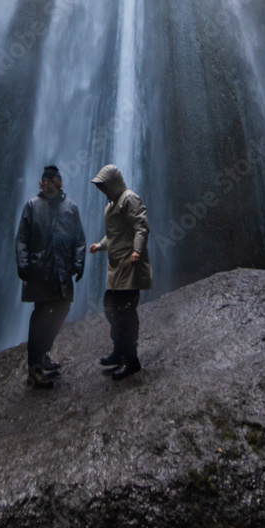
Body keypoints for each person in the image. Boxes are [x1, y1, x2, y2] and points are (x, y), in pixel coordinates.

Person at [15, 164, 86, 387]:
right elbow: (21, 240)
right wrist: (24, 266)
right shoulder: (32, 206)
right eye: (46, 180)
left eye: (53, 180)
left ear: (60, 182)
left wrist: (78, 263)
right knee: (40, 317)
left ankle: (44, 353)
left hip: (63, 273)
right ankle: (34, 368)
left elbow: (80, 241)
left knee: (62, 309)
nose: (50, 183)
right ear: (41, 183)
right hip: (40, 273)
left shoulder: (70, 208)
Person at [89, 163, 152, 381]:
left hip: (129, 264)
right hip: (116, 266)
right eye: (100, 186)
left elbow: (140, 226)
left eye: (104, 185)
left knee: (125, 311)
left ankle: (131, 359)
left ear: (114, 182)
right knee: (111, 306)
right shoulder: (112, 204)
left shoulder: (129, 199)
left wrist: (137, 249)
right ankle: (118, 351)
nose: (102, 190)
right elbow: (115, 235)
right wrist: (100, 245)